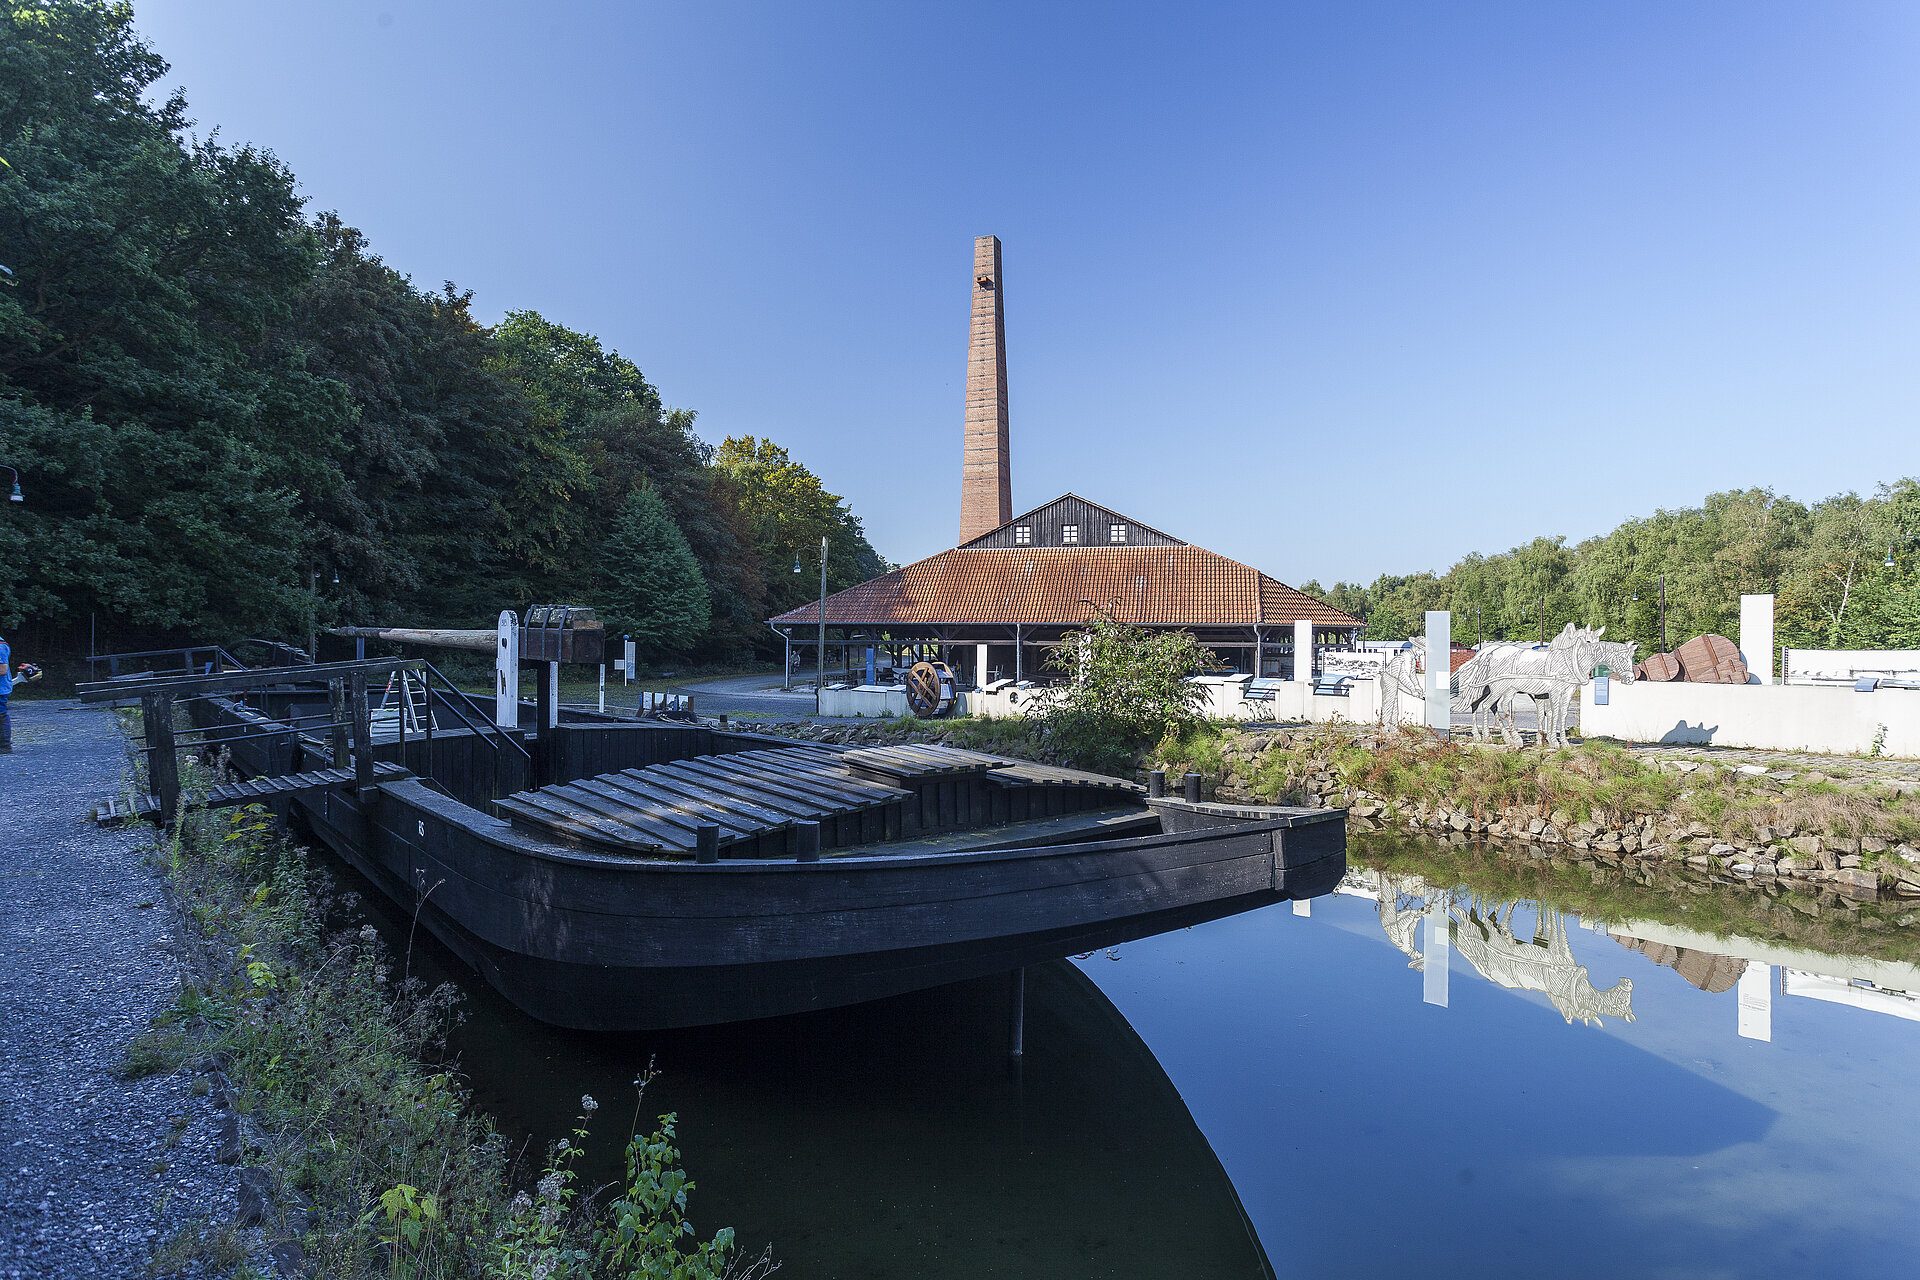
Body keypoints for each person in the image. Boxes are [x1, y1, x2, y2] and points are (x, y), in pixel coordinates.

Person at [0, 631, 12, 753]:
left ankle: (5, 746)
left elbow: (2, 670)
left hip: (0, 688)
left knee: (1, 716)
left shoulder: (0, 646)